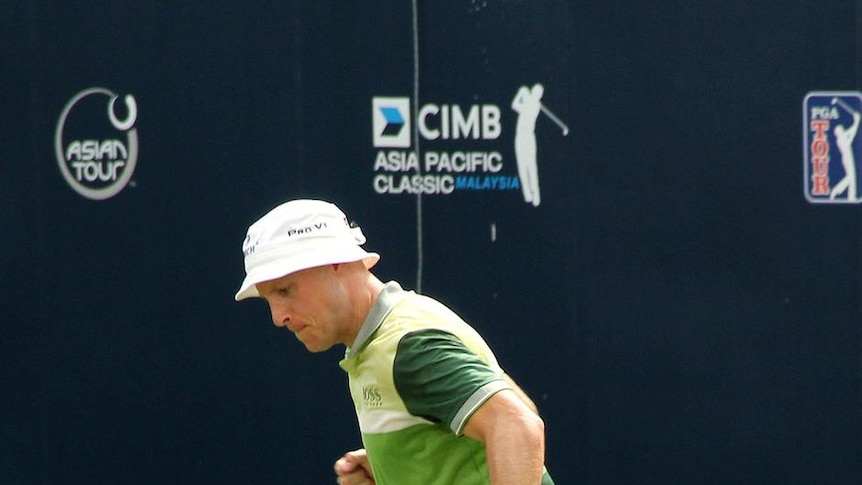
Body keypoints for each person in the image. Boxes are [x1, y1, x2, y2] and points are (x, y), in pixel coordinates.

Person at [235, 199, 555, 485]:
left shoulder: (406, 347)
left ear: (336, 262)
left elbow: (519, 425)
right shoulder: (396, 329)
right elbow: (520, 410)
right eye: (268, 299)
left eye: (285, 290)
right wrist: (403, 467)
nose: (278, 317)